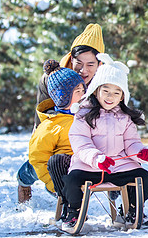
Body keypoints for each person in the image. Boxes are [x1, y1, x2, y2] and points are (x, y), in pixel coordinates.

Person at [62, 53, 148, 231]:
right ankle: (74, 212)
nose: (110, 97)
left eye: (116, 92)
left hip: (118, 165)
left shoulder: (125, 117)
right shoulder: (83, 114)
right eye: (105, 91)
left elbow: (131, 142)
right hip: (89, 165)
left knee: (145, 179)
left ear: (122, 96)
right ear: (96, 90)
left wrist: (141, 152)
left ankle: (131, 210)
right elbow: (81, 143)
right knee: (72, 180)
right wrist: (97, 158)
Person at [17, 23, 105, 203]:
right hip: (56, 129)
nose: (83, 70)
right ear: (71, 59)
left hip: (85, 138)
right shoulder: (52, 79)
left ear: (100, 64)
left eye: (90, 64)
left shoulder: (105, 82)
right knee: (41, 161)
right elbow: (43, 114)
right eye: (78, 63)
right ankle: (23, 180)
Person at [28, 59, 86, 223]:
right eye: (78, 92)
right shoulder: (51, 126)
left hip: (89, 166)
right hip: (65, 175)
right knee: (57, 160)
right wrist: (52, 183)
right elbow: (38, 157)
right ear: (63, 96)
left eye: (83, 90)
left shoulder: (87, 117)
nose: (83, 95)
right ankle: (71, 208)